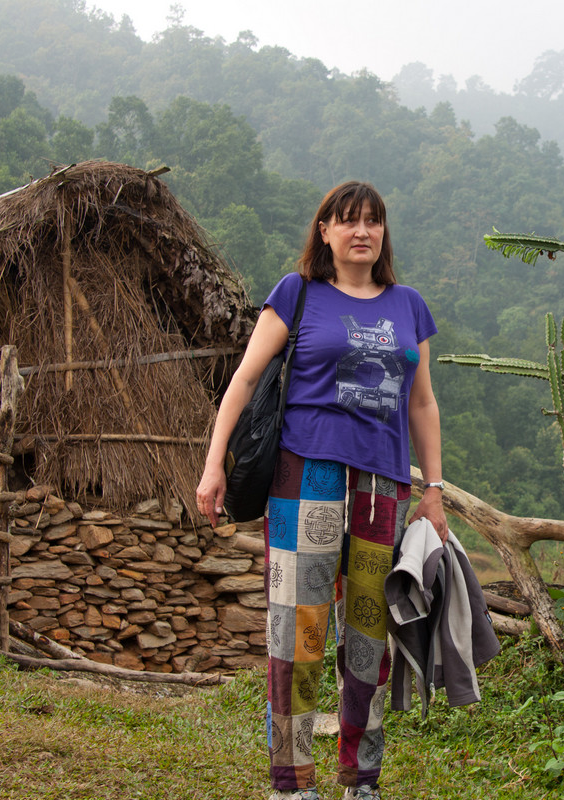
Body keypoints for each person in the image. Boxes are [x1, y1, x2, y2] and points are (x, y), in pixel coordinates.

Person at [196, 181, 447, 800]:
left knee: (369, 638)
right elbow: (245, 380)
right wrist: (213, 463)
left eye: (373, 222)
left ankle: (361, 780)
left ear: (383, 235)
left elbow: (422, 403)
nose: (362, 231)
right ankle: (292, 781)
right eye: (349, 221)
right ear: (325, 232)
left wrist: (432, 487)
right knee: (298, 630)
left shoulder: (407, 305)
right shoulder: (298, 293)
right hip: (304, 479)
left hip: (381, 487)